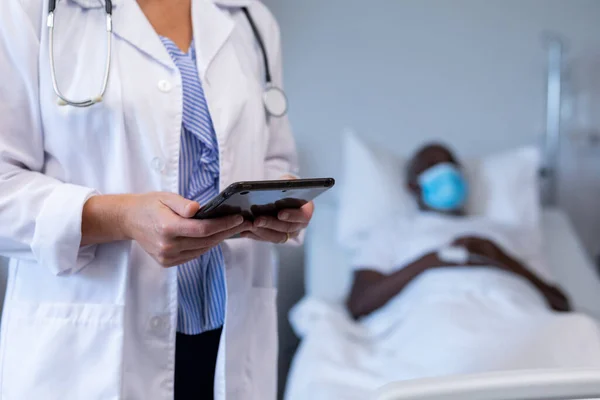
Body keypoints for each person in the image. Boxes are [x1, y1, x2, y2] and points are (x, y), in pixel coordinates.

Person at [0, 1, 311, 399]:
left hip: (226, 341)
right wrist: (122, 218)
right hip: (92, 348)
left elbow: (274, 158)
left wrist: (282, 201)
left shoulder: (250, 18)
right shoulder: (29, 10)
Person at [347, 143, 570, 320]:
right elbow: (359, 304)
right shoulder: (393, 231)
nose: (446, 170)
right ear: (412, 186)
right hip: (432, 316)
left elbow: (560, 303)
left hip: (515, 315)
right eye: (432, 165)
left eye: (452, 164)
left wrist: (499, 256)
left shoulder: (504, 232)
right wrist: (432, 260)